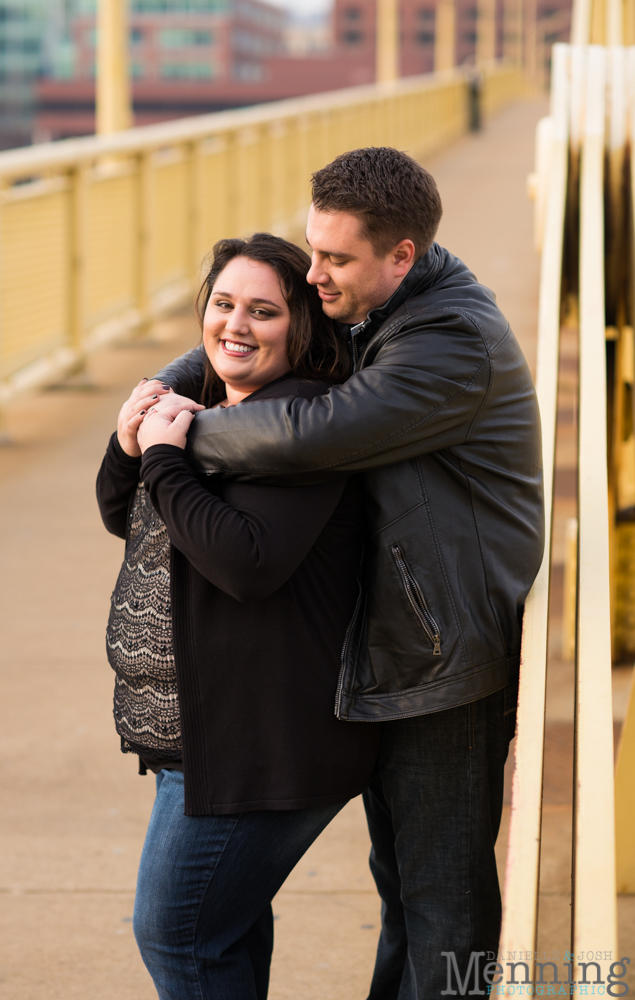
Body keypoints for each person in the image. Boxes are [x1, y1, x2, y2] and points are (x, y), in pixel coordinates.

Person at [149, 147, 545, 998]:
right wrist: (171, 381)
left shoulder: (450, 342)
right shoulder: (373, 300)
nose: (313, 272)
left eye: (334, 259)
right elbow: (261, 333)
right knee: (400, 884)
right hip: (393, 635)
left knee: (441, 901)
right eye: (311, 248)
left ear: (400, 255)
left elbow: (311, 433)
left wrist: (169, 440)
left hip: (445, 652)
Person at [96, 233, 381, 1000]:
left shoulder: (300, 428)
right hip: (209, 741)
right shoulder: (225, 411)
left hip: (262, 748)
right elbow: (130, 517)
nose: (236, 325)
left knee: (178, 935)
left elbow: (247, 563)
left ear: (301, 328)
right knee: (221, 934)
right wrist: (132, 450)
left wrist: (163, 460)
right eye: (223, 305)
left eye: (263, 311)